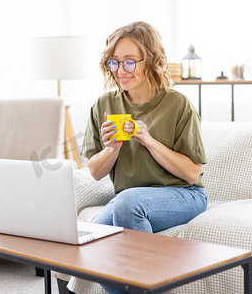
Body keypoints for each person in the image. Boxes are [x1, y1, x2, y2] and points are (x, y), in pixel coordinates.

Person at [80, 21, 208, 294]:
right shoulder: (104, 105)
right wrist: (112, 148)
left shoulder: (177, 104)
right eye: (114, 62)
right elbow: (94, 171)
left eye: (129, 62)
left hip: (183, 195)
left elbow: (191, 174)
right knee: (86, 245)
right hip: (130, 200)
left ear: (149, 60)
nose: (120, 71)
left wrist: (148, 141)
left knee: (127, 202)